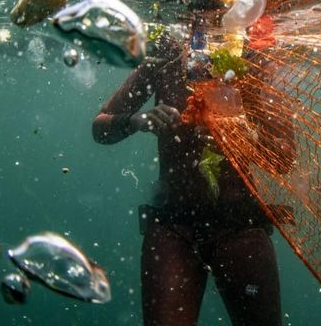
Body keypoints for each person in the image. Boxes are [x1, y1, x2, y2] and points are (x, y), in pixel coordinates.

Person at [92, 24, 283, 326]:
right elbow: (100, 128)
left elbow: (284, 157)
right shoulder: (166, 56)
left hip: (240, 223)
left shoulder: (252, 58)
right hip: (174, 224)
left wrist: (241, 133)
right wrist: (137, 120)